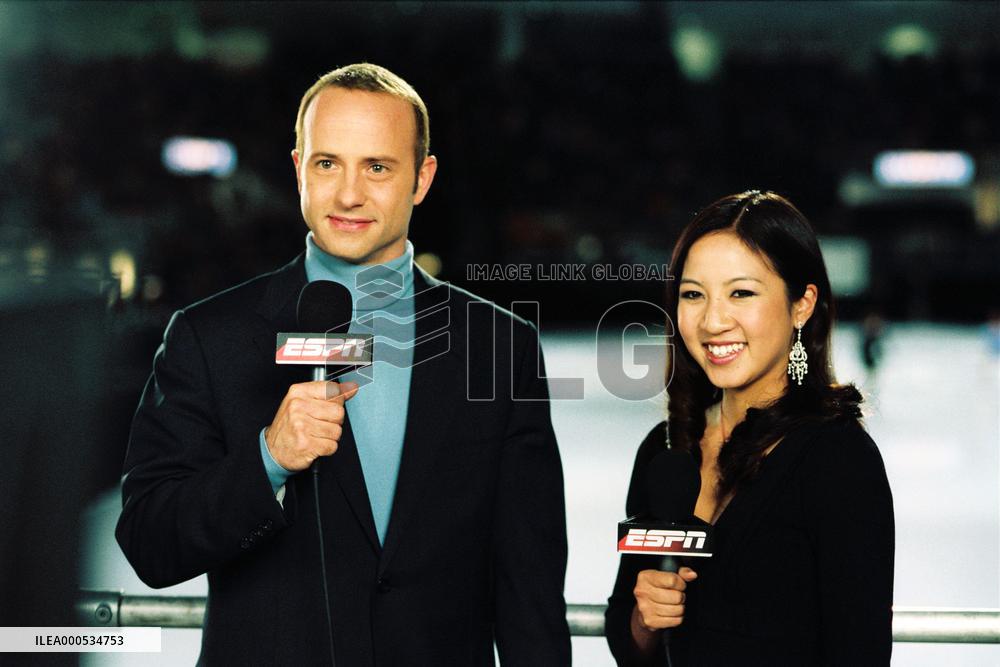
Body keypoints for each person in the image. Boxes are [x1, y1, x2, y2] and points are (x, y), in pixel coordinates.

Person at [116, 63, 571, 666]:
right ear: (299, 168)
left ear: (422, 178)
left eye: (377, 167)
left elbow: (530, 590)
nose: (349, 194)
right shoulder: (208, 337)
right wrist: (268, 460)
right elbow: (151, 543)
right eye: (328, 164)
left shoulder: (499, 346)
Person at [605, 191, 894, 666]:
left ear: (802, 304)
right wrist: (645, 618)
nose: (713, 321)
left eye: (741, 292)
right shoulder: (664, 449)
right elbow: (630, 642)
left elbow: (858, 651)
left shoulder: (838, 459)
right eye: (693, 295)